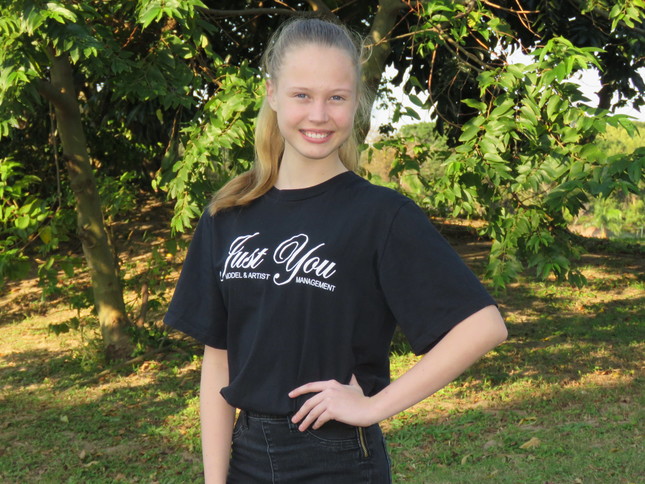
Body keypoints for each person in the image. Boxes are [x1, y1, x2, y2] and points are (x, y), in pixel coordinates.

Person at [164, 17, 508, 484]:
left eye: (337, 98)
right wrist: (214, 479)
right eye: (302, 95)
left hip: (336, 458)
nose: (319, 115)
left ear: (356, 101)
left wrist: (373, 407)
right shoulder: (228, 214)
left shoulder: (380, 215)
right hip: (245, 455)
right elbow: (219, 360)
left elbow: (483, 326)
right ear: (272, 94)